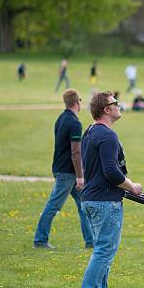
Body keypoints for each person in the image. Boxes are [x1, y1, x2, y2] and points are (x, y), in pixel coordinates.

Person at [78, 91, 143, 288]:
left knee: (104, 248)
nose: (118, 105)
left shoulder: (90, 132)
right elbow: (111, 172)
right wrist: (132, 186)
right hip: (104, 201)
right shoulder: (108, 135)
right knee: (104, 250)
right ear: (107, 110)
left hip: (91, 199)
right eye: (115, 103)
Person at [33, 89, 93, 249]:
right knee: (53, 205)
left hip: (64, 169)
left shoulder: (61, 119)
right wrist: (80, 177)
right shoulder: (74, 123)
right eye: (80, 100)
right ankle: (40, 240)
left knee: (83, 205)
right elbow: (75, 151)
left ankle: (91, 241)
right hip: (68, 173)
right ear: (77, 102)